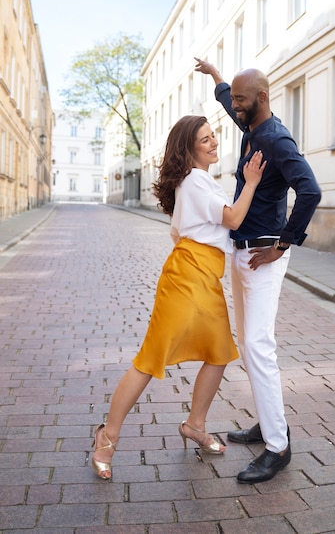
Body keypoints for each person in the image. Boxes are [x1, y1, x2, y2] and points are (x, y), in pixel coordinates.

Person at [91, 114, 266, 480]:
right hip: (187, 279)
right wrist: (251, 182)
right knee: (151, 358)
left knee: (219, 353)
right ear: (189, 149)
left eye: (214, 135)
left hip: (204, 276)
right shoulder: (197, 182)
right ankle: (107, 437)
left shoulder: (199, 182)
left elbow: (177, 232)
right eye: (205, 139)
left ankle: (195, 425)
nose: (214, 142)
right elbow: (232, 219)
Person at [194, 58, 321, 484]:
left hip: (264, 256)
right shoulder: (253, 126)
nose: (236, 107)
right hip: (242, 253)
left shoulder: (277, 140)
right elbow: (231, 104)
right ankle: (268, 424)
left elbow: (310, 190)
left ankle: (278, 446)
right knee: (248, 346)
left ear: (262, 100)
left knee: (259, 347)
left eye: (243, 100)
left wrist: (283, 243)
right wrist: (217, 78)